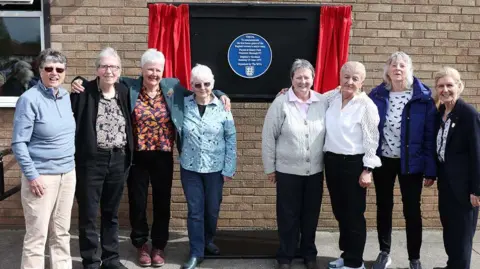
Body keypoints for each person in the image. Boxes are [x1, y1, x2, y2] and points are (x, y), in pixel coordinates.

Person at [71, 48, 230, 267]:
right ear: (142, 70)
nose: (153, 74)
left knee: (162, 203)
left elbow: (200, 91)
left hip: (163, 155)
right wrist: (77, 80)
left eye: (157, 70)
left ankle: (158, 246)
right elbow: (103, 79)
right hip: (137, 156)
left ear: (162, 71)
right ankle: (141, 245)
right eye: (149, 70)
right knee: (137, 203)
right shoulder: (129, 86)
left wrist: (220, 93)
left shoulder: (172, 88)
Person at [368, 52, 437, 269]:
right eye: (393, 65)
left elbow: (430, 135)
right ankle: (384, 252)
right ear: (387, 70)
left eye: (402, 65)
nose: (398, 68)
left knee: (412, 210)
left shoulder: (423, 97)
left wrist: (430, 169)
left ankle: (414, 257)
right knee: (384, 206)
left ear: (409, 69)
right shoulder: (376, 95)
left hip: (412, 162)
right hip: (384, 161)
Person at [11, 49, 76, 269]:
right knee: (36, 236)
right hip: (41, 177)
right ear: (40, 71)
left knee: (61, 233)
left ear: (65, 72)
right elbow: (19, 143)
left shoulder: (65, 96)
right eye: (48, 69)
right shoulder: (29, 99)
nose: (54, 73)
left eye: (59, 69)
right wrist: (32, 176)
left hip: (67, 175)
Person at [71, 47, 133, 269]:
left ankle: (111, 259)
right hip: (91, 161)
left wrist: (220, 94)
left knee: (111, 213)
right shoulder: (83, 92)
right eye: (105, 66)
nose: (109, 71)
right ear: (97, 69)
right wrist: (75, 81)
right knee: (88, 213)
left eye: (114, 67)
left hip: (118, 160)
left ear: (120, 70)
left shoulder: (124, 91)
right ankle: (91, 260)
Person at [262, 59, 327, 269]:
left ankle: (309, 254)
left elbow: (342, 91)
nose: (303, 81)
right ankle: (285, 256)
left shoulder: (322, 101)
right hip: (287, 171)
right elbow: (268, 137)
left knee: (310, 215)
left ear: (313, 79)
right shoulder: (280, 103)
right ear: (291, 79)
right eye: (298, 77)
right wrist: (269, 168)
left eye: (306, 77)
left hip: (315, 171)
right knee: (287, 216)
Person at [324, 61, 381, 269]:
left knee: (354, 214)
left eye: (355, 78)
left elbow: (371, 139)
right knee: (340, 212)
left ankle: (355, 262)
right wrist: (287, 92)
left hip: (354, 164)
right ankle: (346, 254)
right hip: (331, 161)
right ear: (340, 77)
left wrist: (368, 170)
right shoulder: (331, 97)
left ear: (362, 82)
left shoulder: (366, 105)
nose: (349, 81)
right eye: (346, 76)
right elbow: (309, 100)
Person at [180, 64, 237, 269]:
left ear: (212, 84)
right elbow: (166, 86)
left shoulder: (223, 107)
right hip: (190, 168)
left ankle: (207, 240)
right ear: (191, 85)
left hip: (215, 169)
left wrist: (229, 168)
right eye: (197, 84)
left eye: (206, 83)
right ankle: (196, 252)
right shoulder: (182, 104)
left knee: (212, 210)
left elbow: (231, 138)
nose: (202, 88)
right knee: (195, 211)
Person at [433, 67, 480, 269]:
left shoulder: (468, 115)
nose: (445, 89)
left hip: (465, 188)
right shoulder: (441, 113)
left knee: (462, 237)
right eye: (440, 86)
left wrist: (476, 190)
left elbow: (478, 154)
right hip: (446, 184)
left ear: (459, 87)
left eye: (449, 85)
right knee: (450, 231)